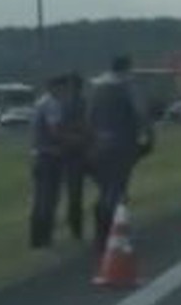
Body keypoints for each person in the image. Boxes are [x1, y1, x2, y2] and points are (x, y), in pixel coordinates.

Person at [87, 55, 154, 253]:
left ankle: (103, 233)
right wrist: (148, 136)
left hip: (98, 144)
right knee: (117, 190)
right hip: (122, 144)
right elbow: (140, 112)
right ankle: (112, 233)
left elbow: (89, 116)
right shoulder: (127, 85)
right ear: (127, 68)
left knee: (106, 189)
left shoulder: (97, 86)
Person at [29, 75, 70, 248]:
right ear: (56, 88)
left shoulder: (40, 103)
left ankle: (36, 237)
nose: (66, 92)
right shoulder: (53, 104)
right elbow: (55, 131)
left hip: (38, 155)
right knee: (49, 199)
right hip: (50, 156)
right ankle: (45, 237)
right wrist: (72, 140)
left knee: (39, 199)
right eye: (63, 88)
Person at [57, 72, 91, 241]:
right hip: (77, 151)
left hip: (74, 151)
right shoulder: (80, 103)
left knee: (74, 193)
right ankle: (75, 227)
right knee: (75, 194)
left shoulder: (66, 103)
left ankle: (75, 227)